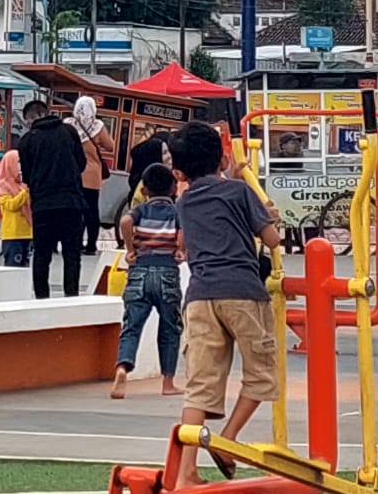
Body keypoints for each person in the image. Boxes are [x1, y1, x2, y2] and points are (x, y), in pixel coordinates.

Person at [171, 120, 282, 488]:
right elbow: (272, 239)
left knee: (199, 384)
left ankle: (186, 472)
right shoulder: (240, 191)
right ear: (222, 158)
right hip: (242, 291)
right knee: (261, 372)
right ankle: (229, 438)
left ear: (179, 172)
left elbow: (191, 239)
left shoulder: (184, 201)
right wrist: (268, 213)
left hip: (200, 297)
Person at [111, 163, 184, 400]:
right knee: (170, 328)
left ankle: (122, 368)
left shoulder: (140, 210)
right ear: (173, 188)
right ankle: (168, 383)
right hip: (167, 272)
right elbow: (183, 231)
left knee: (131, 326)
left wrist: (130, 250)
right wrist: (180, 250)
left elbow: (125, 222)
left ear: (144, 190)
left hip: (139, 272)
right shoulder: (176, 212)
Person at [17, 99, 87, 299]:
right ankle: (71, 296)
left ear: (31, 119)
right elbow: (81, 163)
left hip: (43, 205)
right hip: (72, 202)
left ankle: (42, 299)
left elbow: (27, 176)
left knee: (42, 254)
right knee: (72, 254)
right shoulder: (69, 132)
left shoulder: (27, 140)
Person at [66, 95, 117, 256]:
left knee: (74, 210)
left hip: (72, 173)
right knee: (92, 211)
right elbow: (110, 146)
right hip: (92, 176)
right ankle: (91, 246)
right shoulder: (98, 127)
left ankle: (75, 243)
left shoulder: (68, 125)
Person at [0, 150, 32, 268]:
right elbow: (11, 205)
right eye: (18, 163)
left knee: (25, 268)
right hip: (13, 235)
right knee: (13, 267)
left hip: (28, 233)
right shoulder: (3, 186)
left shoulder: (23, 184)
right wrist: (24, 193)